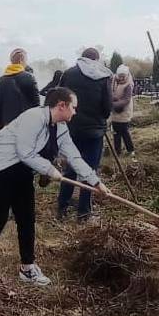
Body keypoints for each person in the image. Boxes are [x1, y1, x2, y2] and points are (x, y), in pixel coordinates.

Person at [0, 87, 109, 285]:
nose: (75, 112)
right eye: (73, 107)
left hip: (22, 170)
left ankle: (28, 268)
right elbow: (25, 152)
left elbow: (74, 156)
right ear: (61, 105)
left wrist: (95, 181)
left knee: (27, 218)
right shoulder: (33, 117)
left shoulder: (60, 127)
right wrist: (50, 170)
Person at [56, 48, 112, 221]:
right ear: (96, 59)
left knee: (71, 167)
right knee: (89, 170)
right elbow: (107, 107)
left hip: (71, 128)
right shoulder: (103, 76)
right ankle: (84, 212)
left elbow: (59, 99)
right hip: (94, 131)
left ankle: (62, 207)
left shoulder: (68, 74)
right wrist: (100, 118)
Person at [0, 48, 40, 130]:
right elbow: (36, 103)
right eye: (26, 60)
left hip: (8, 122)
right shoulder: (29, 77)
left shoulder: (1, 80)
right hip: (26, 121)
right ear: (21, 61)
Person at [110, 64, 135, 158]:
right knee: (116, 132)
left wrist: (113, 104)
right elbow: (110, 93)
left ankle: (130, 150)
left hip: (124, 110)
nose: (121, 78)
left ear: (127, 75)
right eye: (119, 76)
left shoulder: (128, 84)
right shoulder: (113, 82)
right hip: (115, 111)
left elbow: (126, 99)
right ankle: (117, 151)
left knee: (124, 131)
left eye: (123, 76)